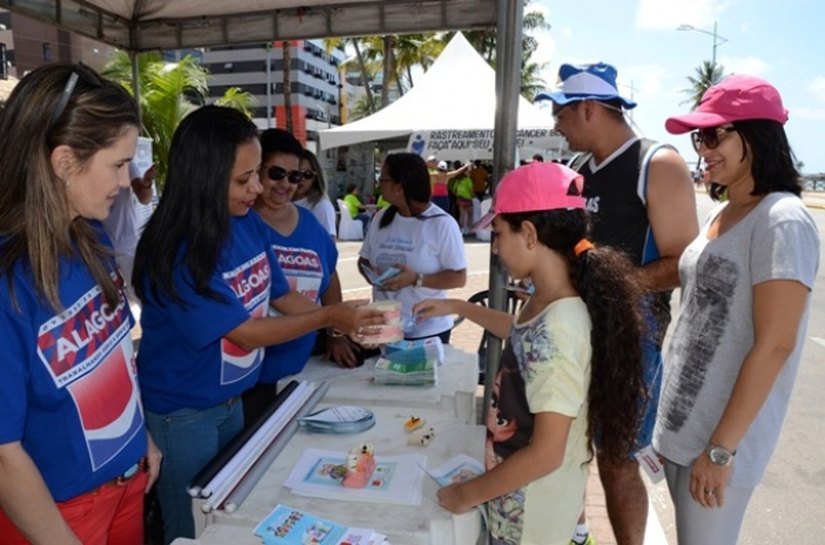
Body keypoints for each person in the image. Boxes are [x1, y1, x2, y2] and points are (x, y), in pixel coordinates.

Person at [132, 106, 382, 543]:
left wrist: (345, 319)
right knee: (191, 528)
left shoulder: (245, 223)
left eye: (256, 175)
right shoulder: (177, 252)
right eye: (243, 179)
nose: (257, 189)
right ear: (204, 178)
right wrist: (327, 318)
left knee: (228, 517)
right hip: (183, 414)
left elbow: (281, 295)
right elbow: (244, 332)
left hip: (232, 401)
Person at [413, 162, 645, 545]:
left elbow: (546, 453)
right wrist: (462, 308)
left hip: (531, 517)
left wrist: (468, 494)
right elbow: (522, 335)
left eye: (499, 233)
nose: (495, 246)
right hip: (521, 499)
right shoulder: (549, 302)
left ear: (531, 234)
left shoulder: (560, 327)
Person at [536, 61, 698, 545]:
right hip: (574, 325)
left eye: (561, 114)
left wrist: (607, 288)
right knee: (564, 444)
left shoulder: (657, 163)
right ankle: (574, 531)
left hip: (632, 332)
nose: (556, 126)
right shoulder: (576, 172)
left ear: (588, 109)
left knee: (617, 459)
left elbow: (682, 262)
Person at [653, 75, 819, 544]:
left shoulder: (782, 219)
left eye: (714, 135)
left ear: (758, 135)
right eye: (698, 137)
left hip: (720, 439)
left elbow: (776, 344)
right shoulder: (721, 212)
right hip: (683, 428)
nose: (702, 148)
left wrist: (722, 450)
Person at [0, 62, 161, 545]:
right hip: (57, 515)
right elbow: (3, 454)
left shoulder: (90, 234)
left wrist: (141, 438)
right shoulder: (9, 283)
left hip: (127, 484)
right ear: (65, 162)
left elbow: (112, 355)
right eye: (117, 164)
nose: (126, 179)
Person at [243, 129, 364, 424]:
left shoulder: (310, 224)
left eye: (295, 177)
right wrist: (332, 319)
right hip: (249, 376)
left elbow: (329, 277)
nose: (286, 184)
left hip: (301, 365)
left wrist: (335, 334)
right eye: (276, 173)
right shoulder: (241, 224)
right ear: (255, 170)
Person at [359, 153, 467, 343]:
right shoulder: (380, 218)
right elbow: (364, 260)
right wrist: (370, 274)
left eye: (382, 179)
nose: (379, 185)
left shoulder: (442, 224)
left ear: (399, 186)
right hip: (385, 327)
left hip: (427, 331)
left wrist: (416, 279)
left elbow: (459, 277)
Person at [102, 135, 156, 297]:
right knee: (108, 303)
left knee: (144, 296)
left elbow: (143, 197)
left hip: (127, 243)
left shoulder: (126, 162)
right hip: (98, 247)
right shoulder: (88, 160)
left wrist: (146, 185)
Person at [293, 149, 337, 238]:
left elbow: (329, 246)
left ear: (316, 177)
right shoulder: (279, 202)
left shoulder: (321, 206)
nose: (301, 179)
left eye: (308, 174)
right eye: (296, 173)